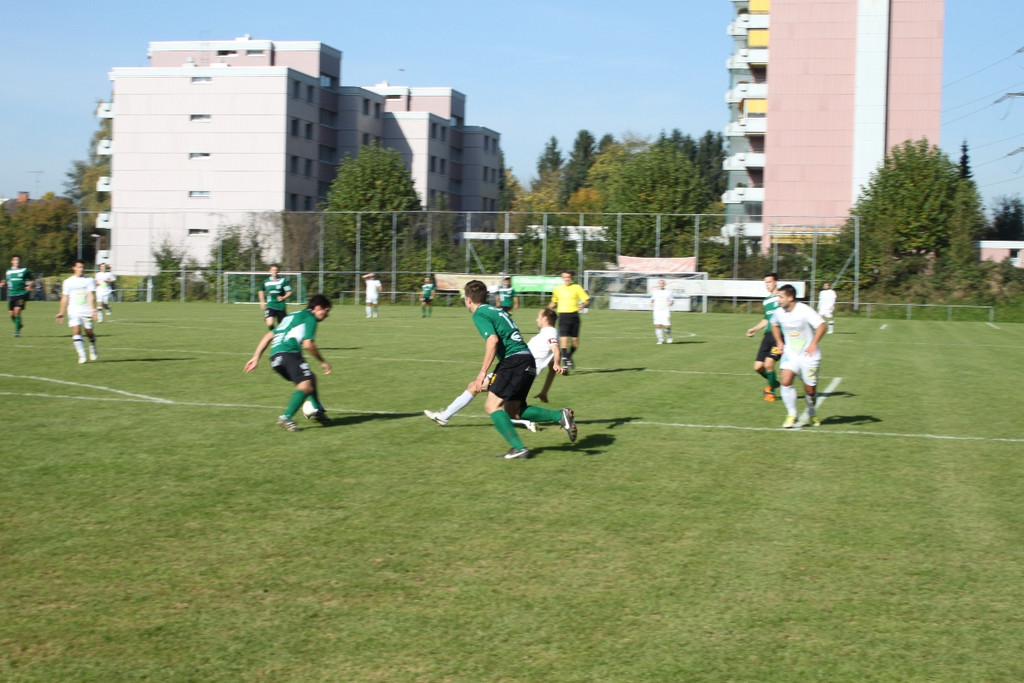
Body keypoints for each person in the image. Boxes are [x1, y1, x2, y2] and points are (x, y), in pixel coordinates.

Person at [459, 280, 576, 459]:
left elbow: (492, 341)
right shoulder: (497, 310)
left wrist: (483, 371)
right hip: (527, 359)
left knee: (492, 406)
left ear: (468, 299)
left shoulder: (479, 314)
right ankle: (560, 415)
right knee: (513, 410)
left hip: (513, 361)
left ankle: (519, 448)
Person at [424, 308, 566, 431]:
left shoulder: (549, 332)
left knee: (475, 387)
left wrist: (557, 363)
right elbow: (551, 367)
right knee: (511, 411)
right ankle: (547, 419)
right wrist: (545, 390)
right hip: (522, 371)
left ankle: (444, 416)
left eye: (539, 317)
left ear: (546, 318)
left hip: (515, 370)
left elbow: (556, 350)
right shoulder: (549, 334)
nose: (536, 320)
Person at [243, 294, 333, 432]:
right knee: (306, 387)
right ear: (317, 307)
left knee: (310, 378)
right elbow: (308, 344)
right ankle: (286, 417)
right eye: (326, 311)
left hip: (275, 358)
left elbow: (268, 336)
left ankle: (317, 411)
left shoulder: (292, 316)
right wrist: (323, 361)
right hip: (289, 354)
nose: (326, 316)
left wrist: (256, 357)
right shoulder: (310, 318)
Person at [771, 284, 827, 429]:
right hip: (791, 354)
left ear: (791, 298)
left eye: (781, 297)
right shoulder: (778, 312)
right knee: (786, 380)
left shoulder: (804, 310)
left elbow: (822, 325)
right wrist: (779, 342)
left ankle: (812, 411)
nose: (778, 299)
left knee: (810, 390)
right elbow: (774, 324)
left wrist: (814, 343)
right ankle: (792, 414)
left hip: (809, 355)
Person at [745, 273, 783, 402]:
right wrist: (754, 329)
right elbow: (766, 320)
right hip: (767, 337)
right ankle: (774, 383)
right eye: (766, 282)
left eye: (770, 282)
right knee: (758, 367)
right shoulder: (766, 301)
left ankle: (771, 392)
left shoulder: (782, 298)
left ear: (776, 282)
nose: (767, 285)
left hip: (779, 337)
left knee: (769, 364)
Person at [55, 260, 99, 363]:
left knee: (89, 332)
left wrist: (92, 308)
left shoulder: (89, 280)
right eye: (79, 267)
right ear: (74, 268)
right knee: (76, 331)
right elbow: (65, 297)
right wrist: (61, 312)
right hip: (73, 310)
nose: (81, 269)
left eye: (82, 267)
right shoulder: (68, 282)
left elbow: (90, 294)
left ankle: (92, 343)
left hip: (86, 310)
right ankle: (82, 355)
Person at [548, 269, 590, 371]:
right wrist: (546, 310)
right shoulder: (557, 289)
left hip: (574, 316)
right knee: (564, 340)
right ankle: (565, 361)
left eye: (568, 277)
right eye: (564, 277)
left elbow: (587, 300)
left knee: (575, 343)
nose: (566, 279)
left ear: (571, 278)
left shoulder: (577, 287)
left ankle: (568, 356)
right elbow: (554, 302)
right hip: (563, 316)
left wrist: (583, 305)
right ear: (562, 278)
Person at [2, 255, 34, 337]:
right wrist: (2, 283)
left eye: (18, 260)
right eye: (15, 260)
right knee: (11, 315)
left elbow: (32, 279)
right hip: (11, 295)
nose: (17, 261)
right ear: (12, 261)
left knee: (17, 311)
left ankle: (16, 332)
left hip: (21, 294)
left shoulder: (24, 270)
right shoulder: (8, 271)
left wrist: (29, 286)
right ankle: (19, 324)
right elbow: (4, 280)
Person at [258, 265, 292, 329]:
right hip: (270, 305)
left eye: (276, 270)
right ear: (270, 271)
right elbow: (260, 291)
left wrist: (283, 297)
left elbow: (289, 292)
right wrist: (262, 301)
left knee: (282, 327)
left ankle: (277, 334)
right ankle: (274, 333)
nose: (274, 271)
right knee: (270, 323)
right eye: (273, 270)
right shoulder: (266, 281)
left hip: (281, 306)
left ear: (278, 271)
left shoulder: (283, 281)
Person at [650, 279, 674, 344]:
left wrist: (671, 303)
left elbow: (672, 301)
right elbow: (652, 300)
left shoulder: (668, 292)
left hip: (665, 311)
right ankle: (660, 339)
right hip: (657, 311)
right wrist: (651, 303)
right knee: (658, 325)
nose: (661, 285)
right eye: (660, 283)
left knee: (667, 326)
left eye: (662, 283)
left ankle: (668, 336)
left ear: (664, 284)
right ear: (658, 284)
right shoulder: (655, 292)